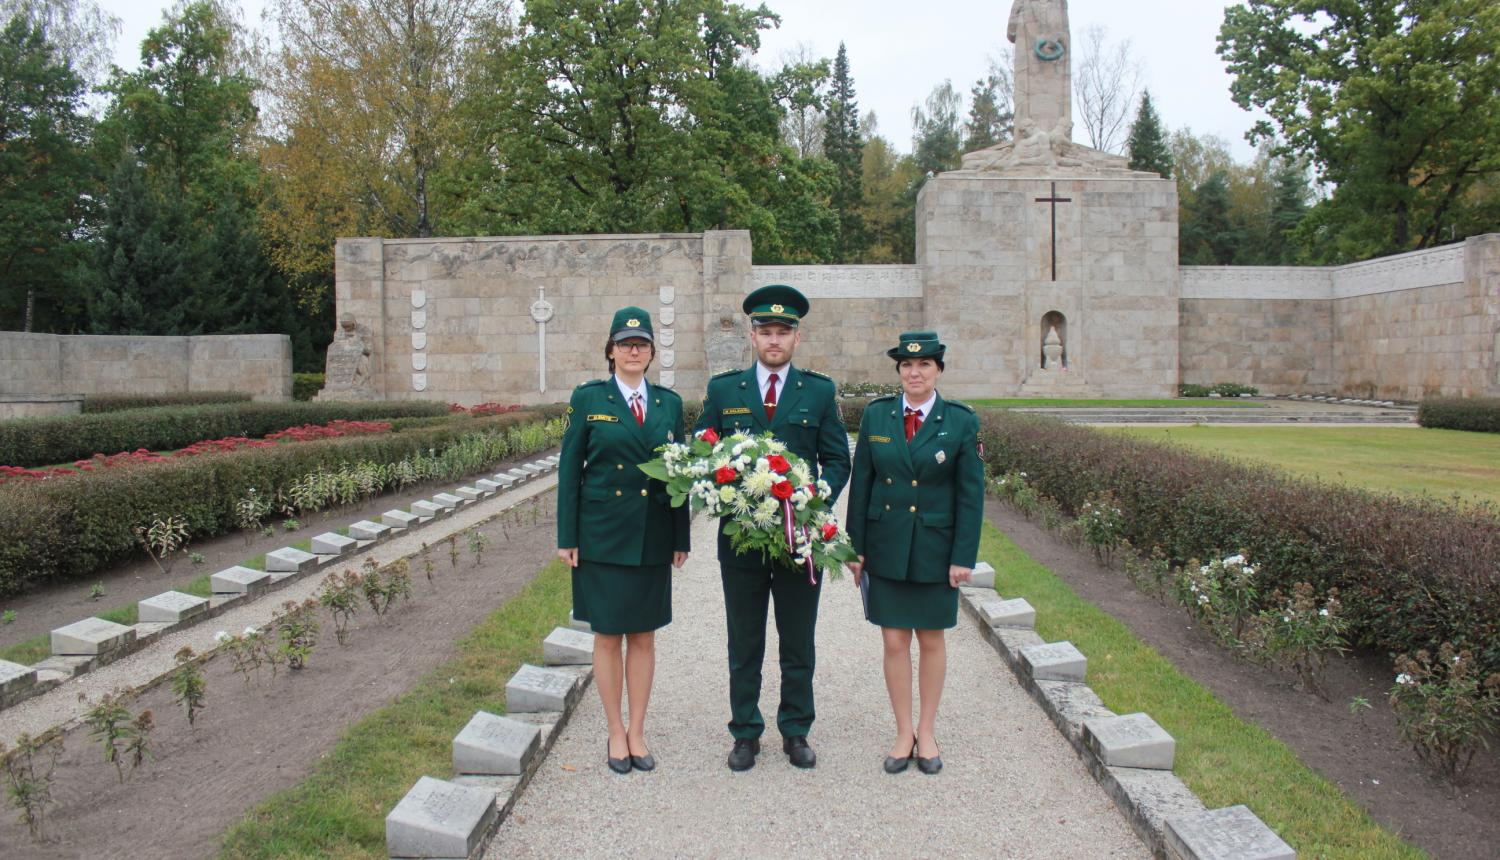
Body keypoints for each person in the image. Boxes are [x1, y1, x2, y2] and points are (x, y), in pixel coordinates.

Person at [695, 284, 851, 771]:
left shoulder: (819, 391)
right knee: (744, 640)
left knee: (798, 638)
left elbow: (836, 460)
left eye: (783, 332)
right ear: (752, 335)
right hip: (740, 539)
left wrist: (812, 500)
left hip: (799, 540)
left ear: (796, 338)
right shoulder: (724, 390)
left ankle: (796, 729)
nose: (774, 340)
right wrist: (722, 492)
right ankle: (745, 732)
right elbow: (705, 448)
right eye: (766, 331)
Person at [557, 307, 690, 774]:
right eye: (624, 343)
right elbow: (570, 468)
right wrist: (567, 535)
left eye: (642, 344)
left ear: (652, 353)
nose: (634, 350)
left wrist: (681, 535)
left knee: (644, 636)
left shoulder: (669, 405)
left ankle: (638, 730)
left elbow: (680, 474)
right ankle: (615, 730)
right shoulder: (589, 398)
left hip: (652, 534)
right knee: (608, 635)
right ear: (610, 351)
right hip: (602, 535)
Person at [846, 331, 984, 775]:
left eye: (924, 364)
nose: (915, 372)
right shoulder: (878, 416)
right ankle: (903, 730)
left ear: (938, 369)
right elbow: (862, 484)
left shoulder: (960, 421)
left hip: (934, 548)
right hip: (886, 544)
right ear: (899, 371)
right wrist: (855, 548)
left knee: (930, 638)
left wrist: (963, 556)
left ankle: (927, 731)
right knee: (892, 640)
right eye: (907, 365)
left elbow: (970, 495)